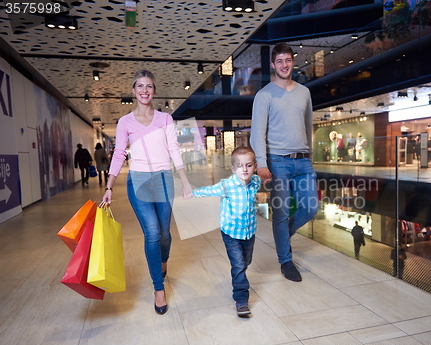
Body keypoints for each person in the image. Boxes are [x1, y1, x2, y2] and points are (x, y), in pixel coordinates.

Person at [102, 70, 192, 315]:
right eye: (140, 86)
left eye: (149, 86)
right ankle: (158, 287)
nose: (144, 90)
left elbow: (174, 149)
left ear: (154, 90)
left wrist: (184, 180)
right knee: (151, 232)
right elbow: (119, 153)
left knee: (164, 233)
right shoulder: (125, 122)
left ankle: (162, 261)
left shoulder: (165, 119)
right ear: (133, 90)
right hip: (139, 181)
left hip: (164, 180)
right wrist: (109, 186)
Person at [250, 42, 318, 282]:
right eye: (279, 61)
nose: (284, 65)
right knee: (279, 213)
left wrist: (310, 155)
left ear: (293, 61)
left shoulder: (304, 92)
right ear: (273, 65)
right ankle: (285, 261)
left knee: (311, 208)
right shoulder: (264, 95)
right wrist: (261, 163)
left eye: (287, 60)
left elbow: (308, 125)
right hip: (277, 161)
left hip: (303, 161)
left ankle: (284, 234)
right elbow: (257, 133)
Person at [189, 146, 261, 317]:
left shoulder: (256, 181)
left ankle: (241, 273)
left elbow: (261, 180)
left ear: (255, 167)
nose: (244, 169)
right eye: (240, 166)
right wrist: (191, 193)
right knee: (238, 265)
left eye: (249, 165)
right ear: (232, 168)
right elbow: (209, 190)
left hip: (249, 231)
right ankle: (241, 300)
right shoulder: (227, 185)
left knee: (246, 261)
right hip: (231, 233)